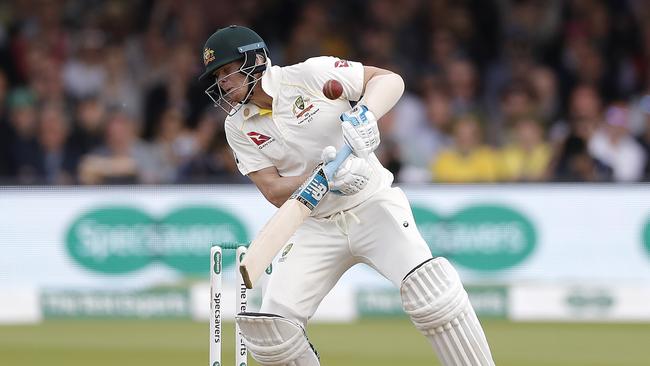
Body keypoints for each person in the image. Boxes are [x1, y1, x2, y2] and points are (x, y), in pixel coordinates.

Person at [199, 25, 494, 366]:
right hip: (314, 222)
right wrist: (320, 177)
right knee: (272, 336)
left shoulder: (308, 75)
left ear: (255, 59)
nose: (223, 83)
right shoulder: (237, 125)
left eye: (227, 71)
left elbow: (389, 80)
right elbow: (273, 190)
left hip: (370, 204)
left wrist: (365, 113)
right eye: (218, 76)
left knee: (432, 294)